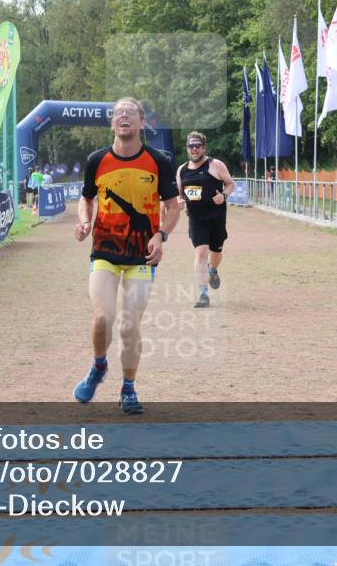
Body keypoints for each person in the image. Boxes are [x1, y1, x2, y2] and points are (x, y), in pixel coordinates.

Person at [73, 97, 180, 415]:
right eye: (118, 113)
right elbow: (86, 199)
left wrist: (162, 236)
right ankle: (98, 366)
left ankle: (128, 388)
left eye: (130, 113)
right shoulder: (97, 160)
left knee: (130, 325)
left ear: (141, 123)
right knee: (103, 318)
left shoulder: (158, 161)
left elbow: (173, 207)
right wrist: (84, 221)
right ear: (111, 123)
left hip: (143, 255)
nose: (124, 117)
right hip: (104, 250)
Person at [176, 131, 234, 308]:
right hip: (196, 219)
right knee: (201, 252)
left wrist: (223, 196)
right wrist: (179, 200)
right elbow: (180, 195)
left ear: (204, 148)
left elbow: (230, 184)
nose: (194, 149)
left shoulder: (215, 165)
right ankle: (203, 294)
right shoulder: (182, 170)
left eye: (197, 146)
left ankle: (213, 270)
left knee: (215, 252)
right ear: (187, 149)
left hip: (216, 218)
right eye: (191, 146)